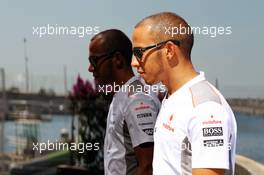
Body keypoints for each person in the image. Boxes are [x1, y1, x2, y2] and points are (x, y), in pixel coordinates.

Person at [131, 12, 237, 175]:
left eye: (139, 52)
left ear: (169, 50)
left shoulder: (206, 109)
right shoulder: (172, 97)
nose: (133, 62)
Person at [88, 29, 161, 175]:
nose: (90, 68)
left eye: (94, 61)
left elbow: (147, 166)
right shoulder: (122, 96)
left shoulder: (137, 100)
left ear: (117, 59)